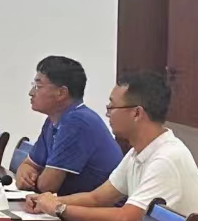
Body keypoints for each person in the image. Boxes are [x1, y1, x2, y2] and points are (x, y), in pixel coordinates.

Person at [25, 70, 198, 221]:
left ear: (136, 113)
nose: (108, 114)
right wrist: (46, 201)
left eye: (112, 107)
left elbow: (126, 219)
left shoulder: (166, 158)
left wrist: (60, 209)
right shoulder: (138, 152)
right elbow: (98, 198)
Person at [14, 55, 122, 196]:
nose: (31, 93)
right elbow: (29, 164)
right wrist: (24, 173)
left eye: (38, 86)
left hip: (101, 207)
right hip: (75, 204)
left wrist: (32, 179)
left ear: (61, 93)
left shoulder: (77, 122)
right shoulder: (53, 120)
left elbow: (47, 186)